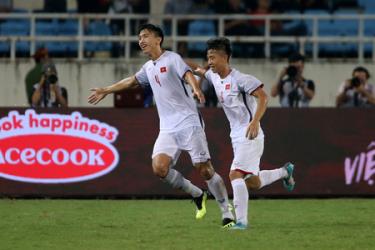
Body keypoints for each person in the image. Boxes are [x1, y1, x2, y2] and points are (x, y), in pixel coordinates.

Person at [88, 24, 235, 228]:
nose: (141, 40)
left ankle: (226, 211)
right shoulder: (149, 67)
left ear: (158, 40)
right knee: (159, 168)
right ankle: (197, 194)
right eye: (139, 37)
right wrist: (105, 89)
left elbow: (188, 74)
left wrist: (196, 89)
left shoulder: (172, 58)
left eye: (146, 36)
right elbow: (131, 81)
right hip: (167, 128)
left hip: (189, 121)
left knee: (204, 170)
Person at [189, 37, 295, 230]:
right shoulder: (214, 77)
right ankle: (284, 172)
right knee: (252, 182)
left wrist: (255, 121)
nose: (209, 61)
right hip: (236, 137)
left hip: (250, 133)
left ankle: (241, 222)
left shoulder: (242, 79)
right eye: (208, 57)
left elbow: (263, 97)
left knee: (235, 174)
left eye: (213, 57)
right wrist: (170, 58)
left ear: (225, 57)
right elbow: (196, 68)